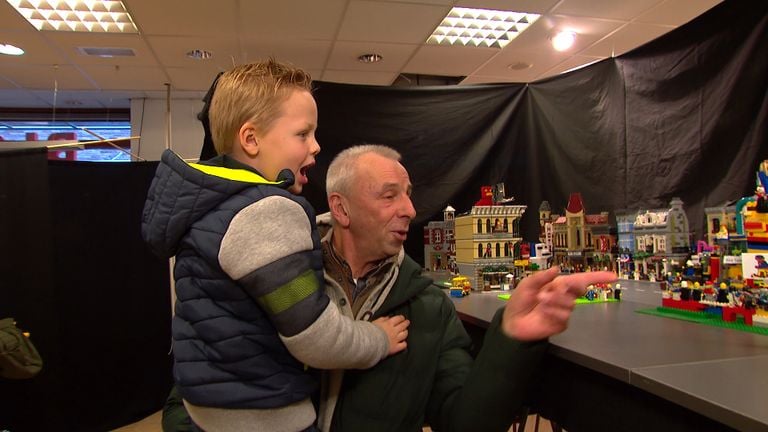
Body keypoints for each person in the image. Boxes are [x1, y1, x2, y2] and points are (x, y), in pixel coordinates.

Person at [141, 61, 409, 432]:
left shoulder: (208, 207)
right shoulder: (267, 212)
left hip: (207, 409)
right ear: (251, 139)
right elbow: (314, 336)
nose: (316, 146)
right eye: (303, 134)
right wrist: (377, 339)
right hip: (266, 415)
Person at [315, 144, 617, 431]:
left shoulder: (429, 307)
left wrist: (510, 340)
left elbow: (466, 423)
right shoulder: (284, 285)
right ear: (341, 210)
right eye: (389, 196)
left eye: (408, 195)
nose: (409, 209)